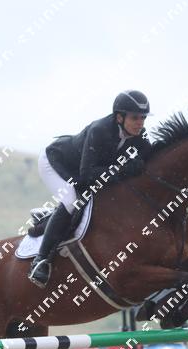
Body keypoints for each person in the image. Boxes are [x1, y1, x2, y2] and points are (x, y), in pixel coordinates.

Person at [27, 90, 152, 287]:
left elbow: (151, 159)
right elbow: (88, 176)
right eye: (135, 118)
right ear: (119, 117)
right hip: (56, 162)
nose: (140, 123)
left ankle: (49, 217)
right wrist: (124, 169)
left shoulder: (139, 136)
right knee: (71, 201)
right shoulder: (99, 130)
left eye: (143, 118)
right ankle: (41, 261)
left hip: (83, 170)